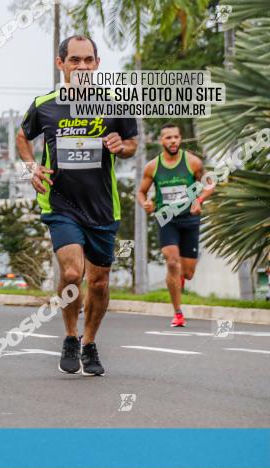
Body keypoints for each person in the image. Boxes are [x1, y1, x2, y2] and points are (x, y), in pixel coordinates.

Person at [16, 35, 137, 376]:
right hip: (61, 203)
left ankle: (89, 342)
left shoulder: (115, 104)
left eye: (88, 60)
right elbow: (23, 136)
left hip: (101, 207)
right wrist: (30, 168)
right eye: (74, 60)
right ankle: (70, 335)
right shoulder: (46, 104)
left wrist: (120, 145)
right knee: (72, 272)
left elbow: (132, 144)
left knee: (99, 282)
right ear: (61, 64)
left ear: (97, 63)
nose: (82, 67)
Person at [136, 123, 211, 327]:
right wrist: (146, 204)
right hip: (166, 217)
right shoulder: (152, 166)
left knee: (187, 272)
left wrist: (199, 200)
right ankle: (177, 312)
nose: (173, 141)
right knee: (171, 262)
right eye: (168, 138)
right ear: (162, 141)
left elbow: (209, 183)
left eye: (176, 137)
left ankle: (180, 279)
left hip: (189, 218)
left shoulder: (193, 162)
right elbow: (140, 192)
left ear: (180, 139)